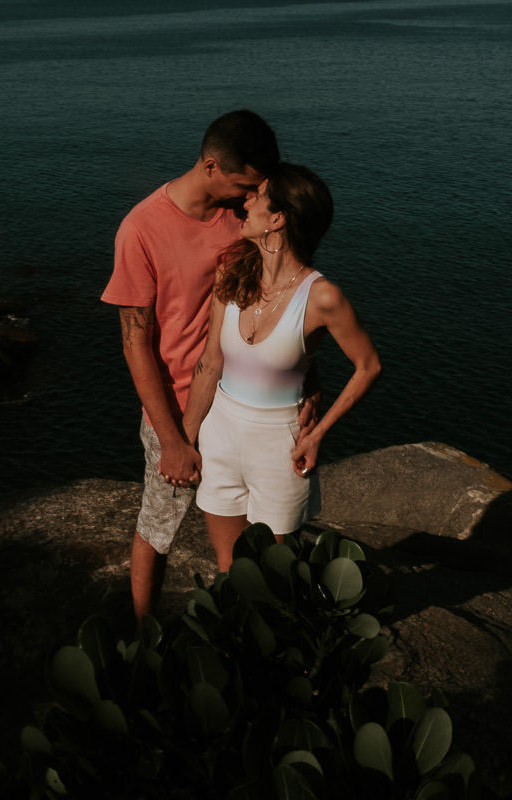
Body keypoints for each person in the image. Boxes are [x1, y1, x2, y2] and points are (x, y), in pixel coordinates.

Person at [101, 110, 314, 621]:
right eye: (246, 183)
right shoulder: (141, 229)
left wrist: (308, 381)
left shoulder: (245, 218)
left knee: (243, 536)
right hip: (176, 408)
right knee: (158, 528)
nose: (253, 195)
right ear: (213, 166)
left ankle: (238, 636)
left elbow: (284, 299)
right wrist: (172, 438)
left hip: (244, 403)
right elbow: (135, 342)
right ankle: (142, 636)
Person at [184, 163, 381, 569]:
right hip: (219, 432)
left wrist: (318, 434)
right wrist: (185, 440)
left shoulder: (323, 297)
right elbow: (210, 361)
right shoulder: (231, 273)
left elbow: (368, 366)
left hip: (281, 445)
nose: (246, 200)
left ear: (277, 219)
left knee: (274, 571)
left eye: (257, 196)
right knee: (229, 570)